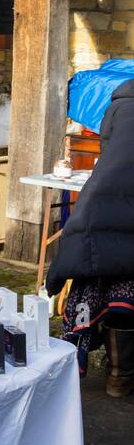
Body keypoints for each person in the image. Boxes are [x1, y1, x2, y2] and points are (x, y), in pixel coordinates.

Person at [51, 78, 134, 395]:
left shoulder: (115, 105)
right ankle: (120, 375)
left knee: (106, 278)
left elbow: (108, 150)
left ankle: (111, 375)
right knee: (127, 288)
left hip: (100, 203)